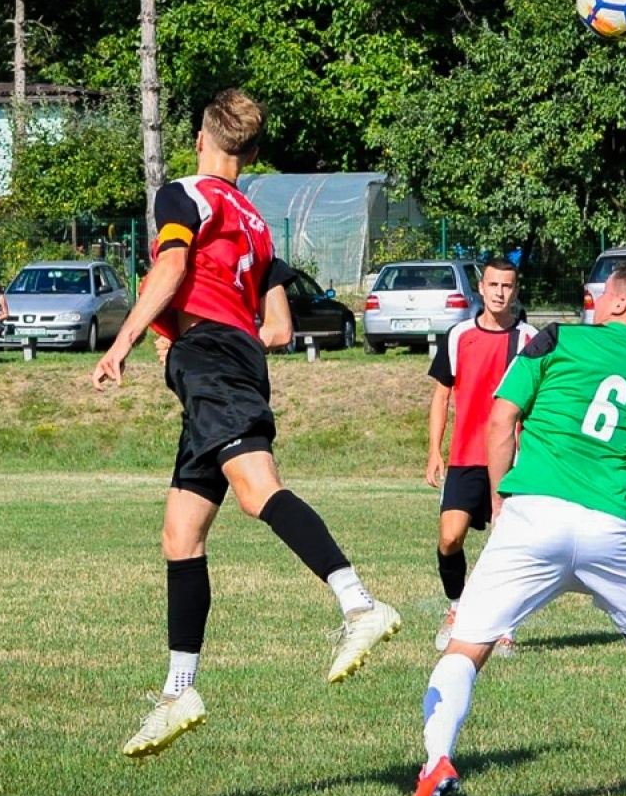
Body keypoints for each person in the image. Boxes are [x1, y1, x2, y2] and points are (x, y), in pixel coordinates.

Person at [92, 88, 399, 760]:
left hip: (213, 365)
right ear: (252, 154)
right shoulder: (258, 223)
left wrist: (124, 344)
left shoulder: (182, 195)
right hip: (231, 364)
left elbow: (171, 266)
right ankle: (180, 690)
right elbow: (280, 329)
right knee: (181, 533)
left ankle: (358, 602)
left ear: (200, 139)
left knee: (260, 491)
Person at [407, 262, 626, 796]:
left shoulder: (557, 337)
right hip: (610, 528)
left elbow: (502, 419)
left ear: (617, 305)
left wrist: (498, 500)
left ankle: (437, 761)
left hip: (534, 514)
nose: (595, 296)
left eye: (604, 291)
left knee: (466, 647)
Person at [426, 257, 537, 654]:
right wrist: (434, 452)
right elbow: (441, 396)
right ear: (481, 288)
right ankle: (457, 607)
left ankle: (503, 625)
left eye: (507, 286)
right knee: (449, 537)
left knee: (504, 546)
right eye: (493, 285)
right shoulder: (458, 336)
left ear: (515, 291)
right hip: (465, 457)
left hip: (512, 462)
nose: (500, 293)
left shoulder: (530, 340)